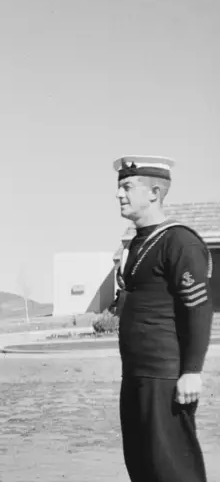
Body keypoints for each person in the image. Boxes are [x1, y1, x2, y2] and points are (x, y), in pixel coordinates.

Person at [112, 156, 212, 482]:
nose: (119, 195)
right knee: (143, 468)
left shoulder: (178, 241)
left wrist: (192, 371)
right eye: (119, 187)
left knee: (172, 470)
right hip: (137, 376)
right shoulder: (137, 243)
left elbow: (198, 308)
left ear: (154, 193)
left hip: (165, 378)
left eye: (127, 187)